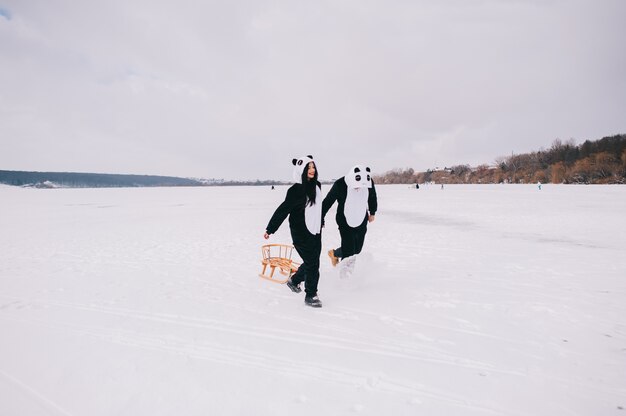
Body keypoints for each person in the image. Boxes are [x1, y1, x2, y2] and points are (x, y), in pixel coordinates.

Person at [264, 155, 323, 308]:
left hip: (315, 231)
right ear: (301, 170)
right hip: (300, 232)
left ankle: (294, 280)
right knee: (312, 263)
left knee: (313, 261)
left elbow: (317, 208)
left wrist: (320, 222)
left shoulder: (317, 186)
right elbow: (283, 210)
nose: (312, 170)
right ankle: (311, 295)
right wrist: (270, 229)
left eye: (313, 167)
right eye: (308, 168)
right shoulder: (295, 190)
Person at [323, 165, 377, 278]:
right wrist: (321, 218)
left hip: (361, 218)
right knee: (348, 251)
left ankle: (334, 253)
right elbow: (328, 201)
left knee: (357, 249)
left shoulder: (368, 181)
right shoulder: (340, 184)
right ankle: (344, 278)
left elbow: (372, 196)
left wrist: (372, 212)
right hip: (344, 220)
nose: (359, 188)